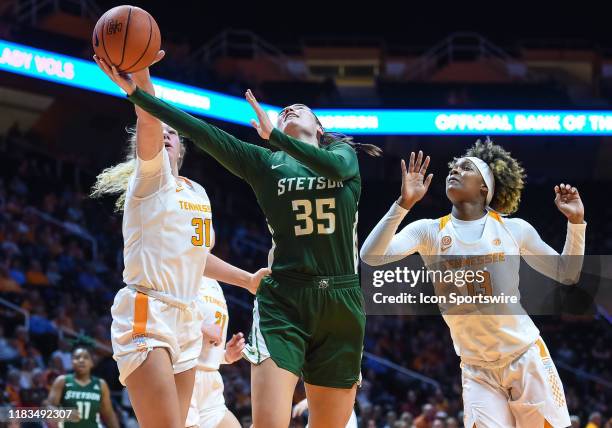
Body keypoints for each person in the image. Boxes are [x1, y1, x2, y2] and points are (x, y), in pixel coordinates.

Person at [94, 54, 381, 428]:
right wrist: (138, 92)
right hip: (284, 299)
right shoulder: (265, 163)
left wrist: (275, 134)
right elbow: (203, 131)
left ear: (320, 129)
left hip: (340, 299)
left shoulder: (341, 156)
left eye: (300, 109)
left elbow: (337, 168)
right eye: (284, 111)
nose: (290, 109)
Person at [91, 55, 270, 428]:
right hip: (148, 309)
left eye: (174, 133)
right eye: (163, 132)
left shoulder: (198, 192)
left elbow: (198, 257)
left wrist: (247, 280)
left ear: (184, 150)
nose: (167, 134)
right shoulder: (149, 180)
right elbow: (149, 121)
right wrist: (141, 78)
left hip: (186, 316)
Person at [360, 140, 586, 428]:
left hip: (524, 356)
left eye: (466, 167)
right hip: (476, 368)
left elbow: (568, 274)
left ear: (484, 188)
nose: (454, 170)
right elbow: (371, 257)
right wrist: (404, 203)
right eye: (453, 167)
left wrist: (576, 223)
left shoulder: (514, 229)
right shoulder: (428, 231)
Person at [186, 277, 244, 428]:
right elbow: (162, 314)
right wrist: (201, 327)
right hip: (182, 373)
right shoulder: (181, 267)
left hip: (210, 383)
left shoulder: (214, 282)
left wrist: (225, 355)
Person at [46, 346, 119, 428]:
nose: (81, 360)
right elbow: (49, 408)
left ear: (92, 362)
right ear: (71, 362)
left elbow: (109, 415)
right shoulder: (62, 381)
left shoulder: (100, 384)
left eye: (86, 357)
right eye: (77, 358)